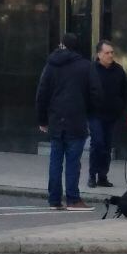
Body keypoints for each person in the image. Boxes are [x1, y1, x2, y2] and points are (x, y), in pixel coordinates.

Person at [36, 33, 99, 211]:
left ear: (62, 45)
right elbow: (95, 93)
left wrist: (42, 118)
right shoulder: (85, 66)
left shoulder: (51, 64)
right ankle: (73, 198)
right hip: (76, 119)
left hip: (56, 118)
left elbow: (42, 93)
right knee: (73, 161)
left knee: (55, 160)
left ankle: (54, 199)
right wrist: (90, 114)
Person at [87, 40, 127, 189]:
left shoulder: (118, 70)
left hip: (112, 115)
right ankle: (92, 175)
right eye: (107, 53)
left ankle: (103, 176)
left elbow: (125, 91)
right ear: (99, 54)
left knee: (107, 145)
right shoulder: (91, 69)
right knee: (97, 143)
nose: (110, 55)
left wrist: (120, 107)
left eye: (112, 52)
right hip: (95, 114)